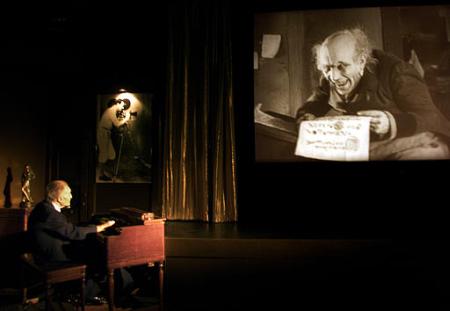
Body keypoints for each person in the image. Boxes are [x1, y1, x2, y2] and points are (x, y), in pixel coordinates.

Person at [296, 28, 450, 160]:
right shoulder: (329, 76)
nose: (334, 77)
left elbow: (433, 118)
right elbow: (311, 106)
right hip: (371, 146)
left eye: (342, 66)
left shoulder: (397, 72)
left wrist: (391, 123)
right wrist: (307, 115)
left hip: (423, 142)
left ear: (361, 61)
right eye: (327, 68)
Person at [27, 180, 116, 303]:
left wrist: (89, 228)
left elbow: (65, 228)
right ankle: (81, 295)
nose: (71, 196)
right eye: (68, 193)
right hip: (50, 259)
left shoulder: (44, 207)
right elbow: (72, 232)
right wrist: (99, 227)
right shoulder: (50, 213)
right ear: (58, 197)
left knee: (91, 253)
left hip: (44, 253)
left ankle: (74, 291)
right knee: (97, 260)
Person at [97, 98, 132, 181]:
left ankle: (106, 171)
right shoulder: (111, 111)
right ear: (118, 104)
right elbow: (117, 124)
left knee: (112, 154)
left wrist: (123, 120)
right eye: (123, 105)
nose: (123, 108)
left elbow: (116, 122)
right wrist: (126, 118)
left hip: (106, 132)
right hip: (103, 132)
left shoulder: (112, 111)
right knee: (103, 155)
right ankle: (101, 175)